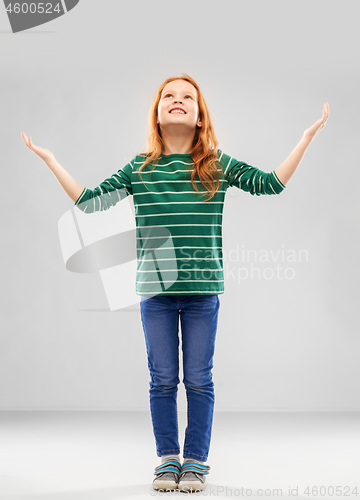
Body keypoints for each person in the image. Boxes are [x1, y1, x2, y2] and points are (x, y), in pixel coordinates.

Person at [21, 73, 329, 493]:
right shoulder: (139, 167)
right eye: (169, 96)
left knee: (199, 379)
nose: (178, 100)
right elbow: (90, 203)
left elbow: (271, 184)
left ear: (200, 117)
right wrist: (52, 161)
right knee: (162, 379)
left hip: (204, 292)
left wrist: (306, 138)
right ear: (158, 112)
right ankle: (168, 460)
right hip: (155, 294)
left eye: (188, 96)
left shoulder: (216, 165)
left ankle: (196, 462)